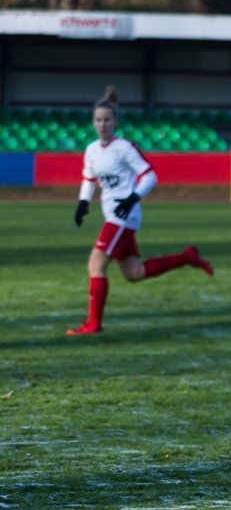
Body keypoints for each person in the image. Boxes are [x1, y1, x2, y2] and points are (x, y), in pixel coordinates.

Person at [67, 86, 213, 336]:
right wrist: (83, 202)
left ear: (116, 121)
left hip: (122, 216)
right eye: (98, 120)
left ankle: (93, 324)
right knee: (134, 273)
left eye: (107, 119)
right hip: (114, 214)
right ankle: (187, 256)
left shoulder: (124, 147)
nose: (102, 124)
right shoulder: (91, 150)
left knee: (95, 264)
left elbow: (150, 175)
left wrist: (133, 198)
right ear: (93, 122)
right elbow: (89, 178)